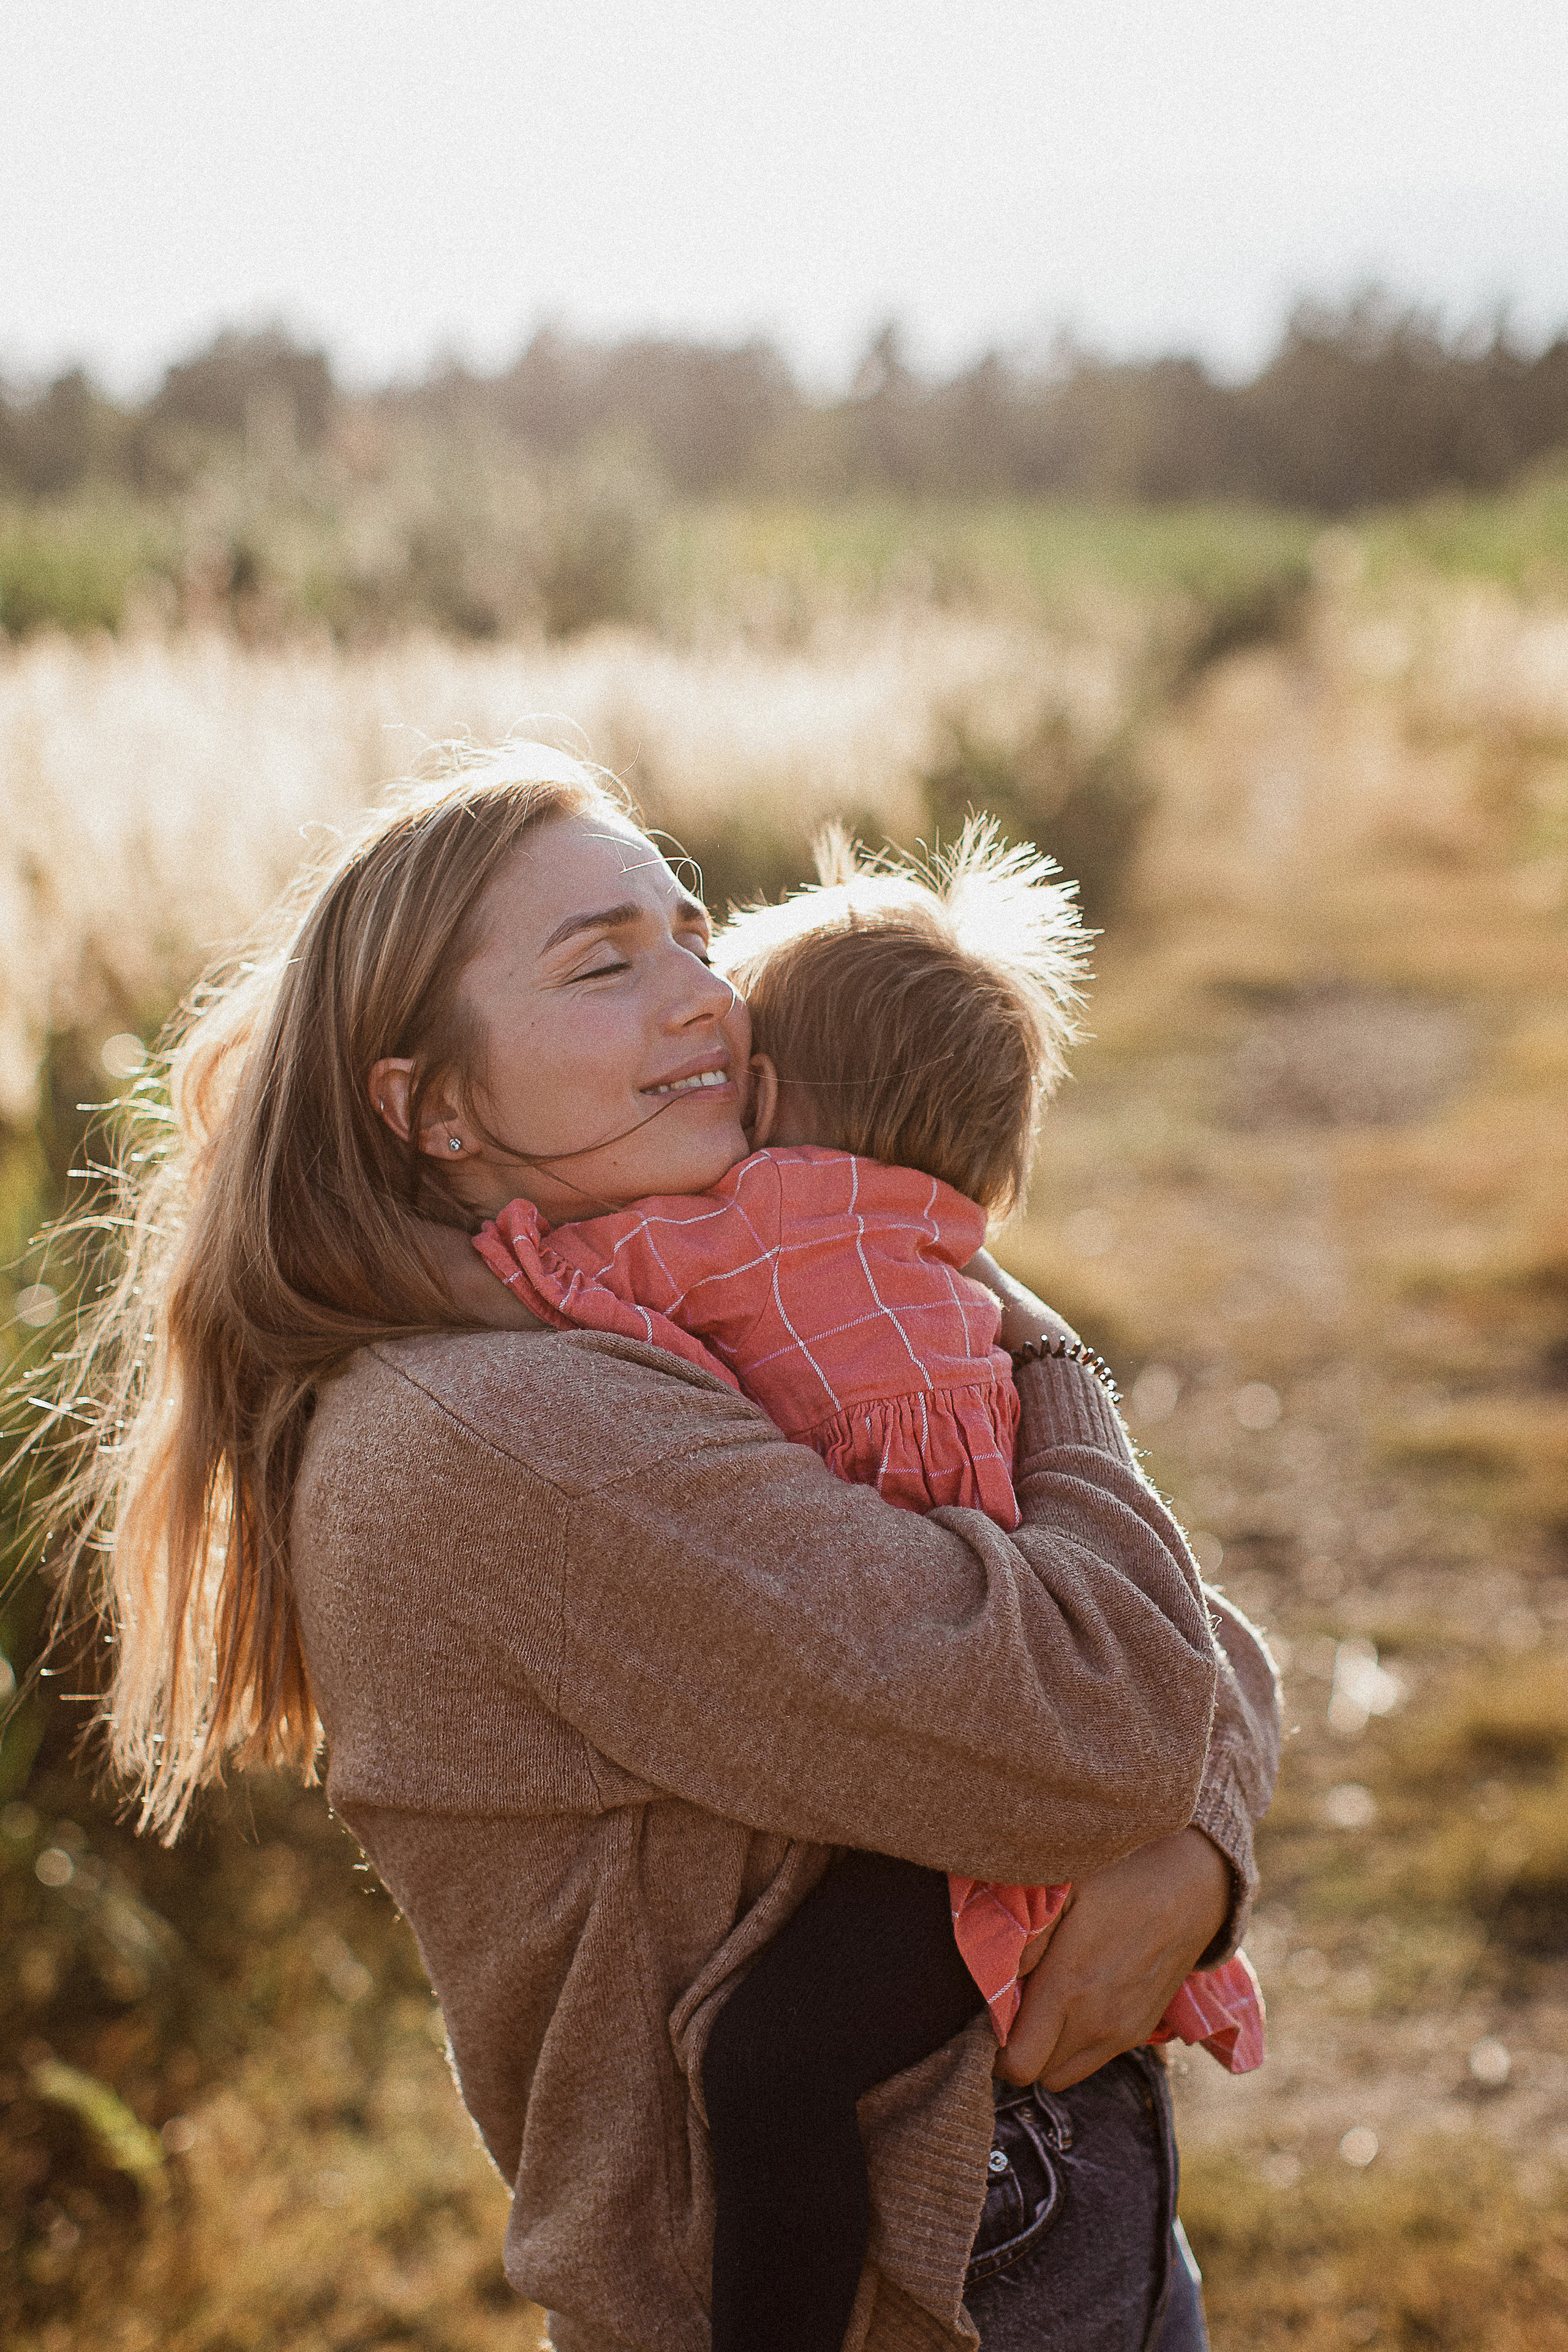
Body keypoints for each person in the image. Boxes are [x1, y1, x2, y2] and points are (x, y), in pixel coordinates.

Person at [54, 747, 1280, 2351]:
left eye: (694, 939)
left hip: (1021, 2220)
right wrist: (1023, 1332)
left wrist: (1193, 1842)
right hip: (917, 2290)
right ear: (425, 1104)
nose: (699, 995)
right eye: (603, 965)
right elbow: (1118, 1706)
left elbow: (1177, 1649)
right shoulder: (520, 1437)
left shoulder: (675, 1329)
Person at [467, 824, 1266, 2352]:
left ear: (761, 1103)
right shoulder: (937, 1251)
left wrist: (484, 1247)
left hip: (974, 1784)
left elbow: (599, 1281)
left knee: (771, 2068)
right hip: (1020, 1762)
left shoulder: (758, 1234)